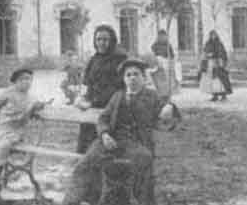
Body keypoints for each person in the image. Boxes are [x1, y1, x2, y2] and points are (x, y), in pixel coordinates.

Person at [62, 58, 177, 205]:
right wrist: (104, 135)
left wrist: (170, 107)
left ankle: (145, 201)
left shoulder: (151, 96)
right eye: (128, 75)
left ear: (143, 77)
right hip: (110, 140)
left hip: (136, 143)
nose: (132, 78)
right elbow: (103, 119)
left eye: (136, 74)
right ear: (124, 79)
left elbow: (167, 112)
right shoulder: (117, 96)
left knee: (144, 162)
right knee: (83, 166)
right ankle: (70, 202)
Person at [0, 68, 48, 205]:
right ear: (15, 82)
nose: (26, 82)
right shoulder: (8, 94)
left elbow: (32, 109)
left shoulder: (31, 98)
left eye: (29, 79)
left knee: (2, 146)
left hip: (15, 132)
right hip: (0, 128)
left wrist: (37, 108)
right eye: (22, 79)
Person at [74, 24, 127, 154]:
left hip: (110, 109)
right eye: (98, 39)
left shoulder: (120, 59)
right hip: (91, 108)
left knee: (103, 146)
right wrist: (81, 99)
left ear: (112, 41)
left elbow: (118, 88)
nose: (101, 43)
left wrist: (93, 102)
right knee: (85, 144)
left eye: (105, 40)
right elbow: (89, 85)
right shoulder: (94, 60)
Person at [199, 30, 233, 102]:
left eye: (214, 35)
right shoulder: (208, 43)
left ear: (216, 35)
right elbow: (205, 52)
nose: (213, 36)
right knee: (212, 80)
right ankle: (215, 95)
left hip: (218, 63)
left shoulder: (219, 44)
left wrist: (217, 56)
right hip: (210, 64)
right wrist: (207, 55)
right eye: (211, 35)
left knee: (220, 80)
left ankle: (223, 95)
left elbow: (222, 53)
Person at [148, 30, 180, 100]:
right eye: (160, 36)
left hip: (167, 64)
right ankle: (160, 95)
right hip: (158, 64)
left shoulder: (168, 45)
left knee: (167, 81)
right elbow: (153, 53)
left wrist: (170, 59)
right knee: (159, 81)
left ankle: (167, 96)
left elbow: (172, 55)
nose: (162, 38)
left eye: (164, 36)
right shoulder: (155, 45)